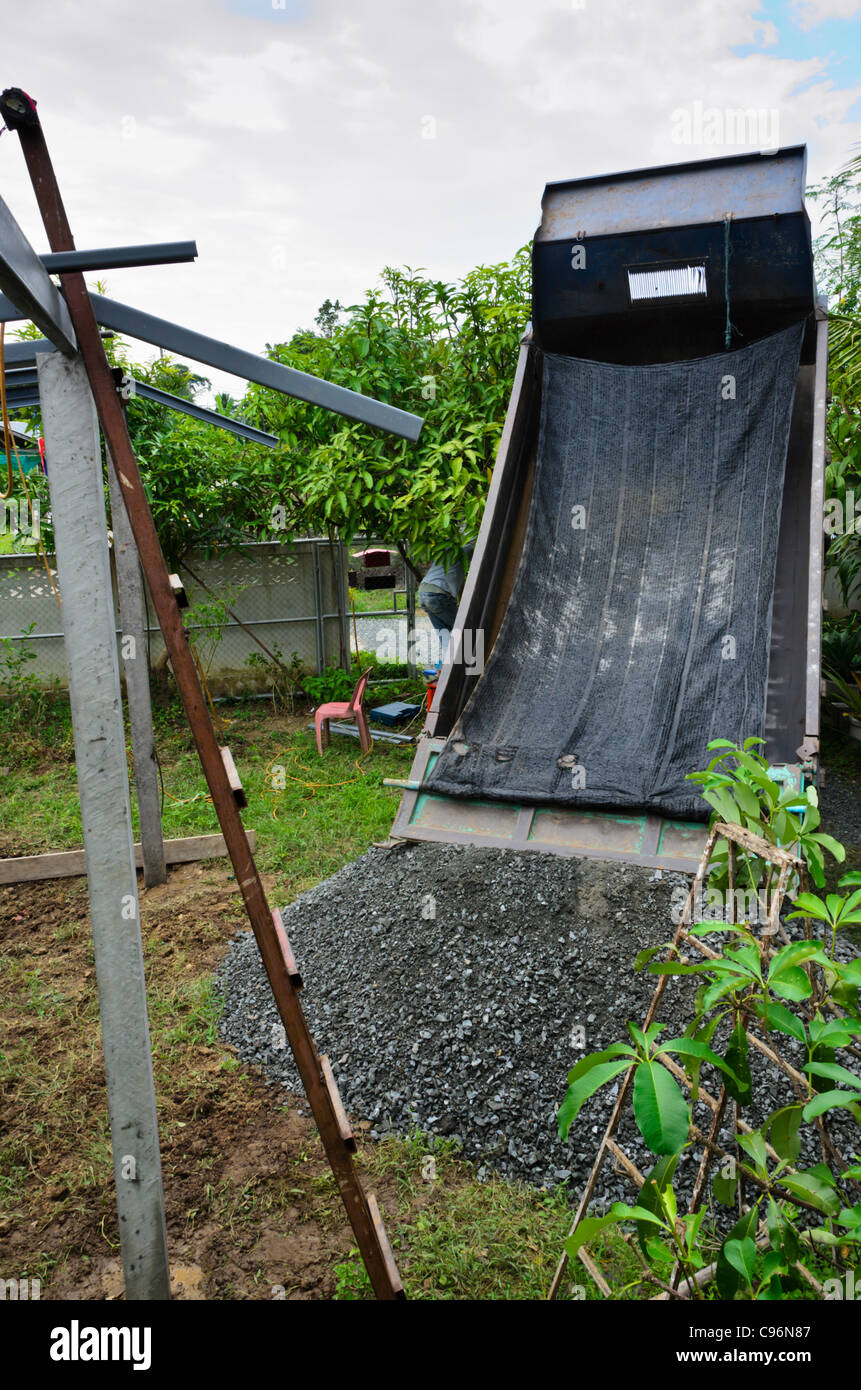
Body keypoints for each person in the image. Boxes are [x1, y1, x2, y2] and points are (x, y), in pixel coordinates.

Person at [417, 539, 474, 663]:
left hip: (423, 593)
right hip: (438, 594)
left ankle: (446, 668)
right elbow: (478, 541)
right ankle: (468, 665)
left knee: (445, 635)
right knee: (464, 629)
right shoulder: (461, 552)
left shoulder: (444, 553)